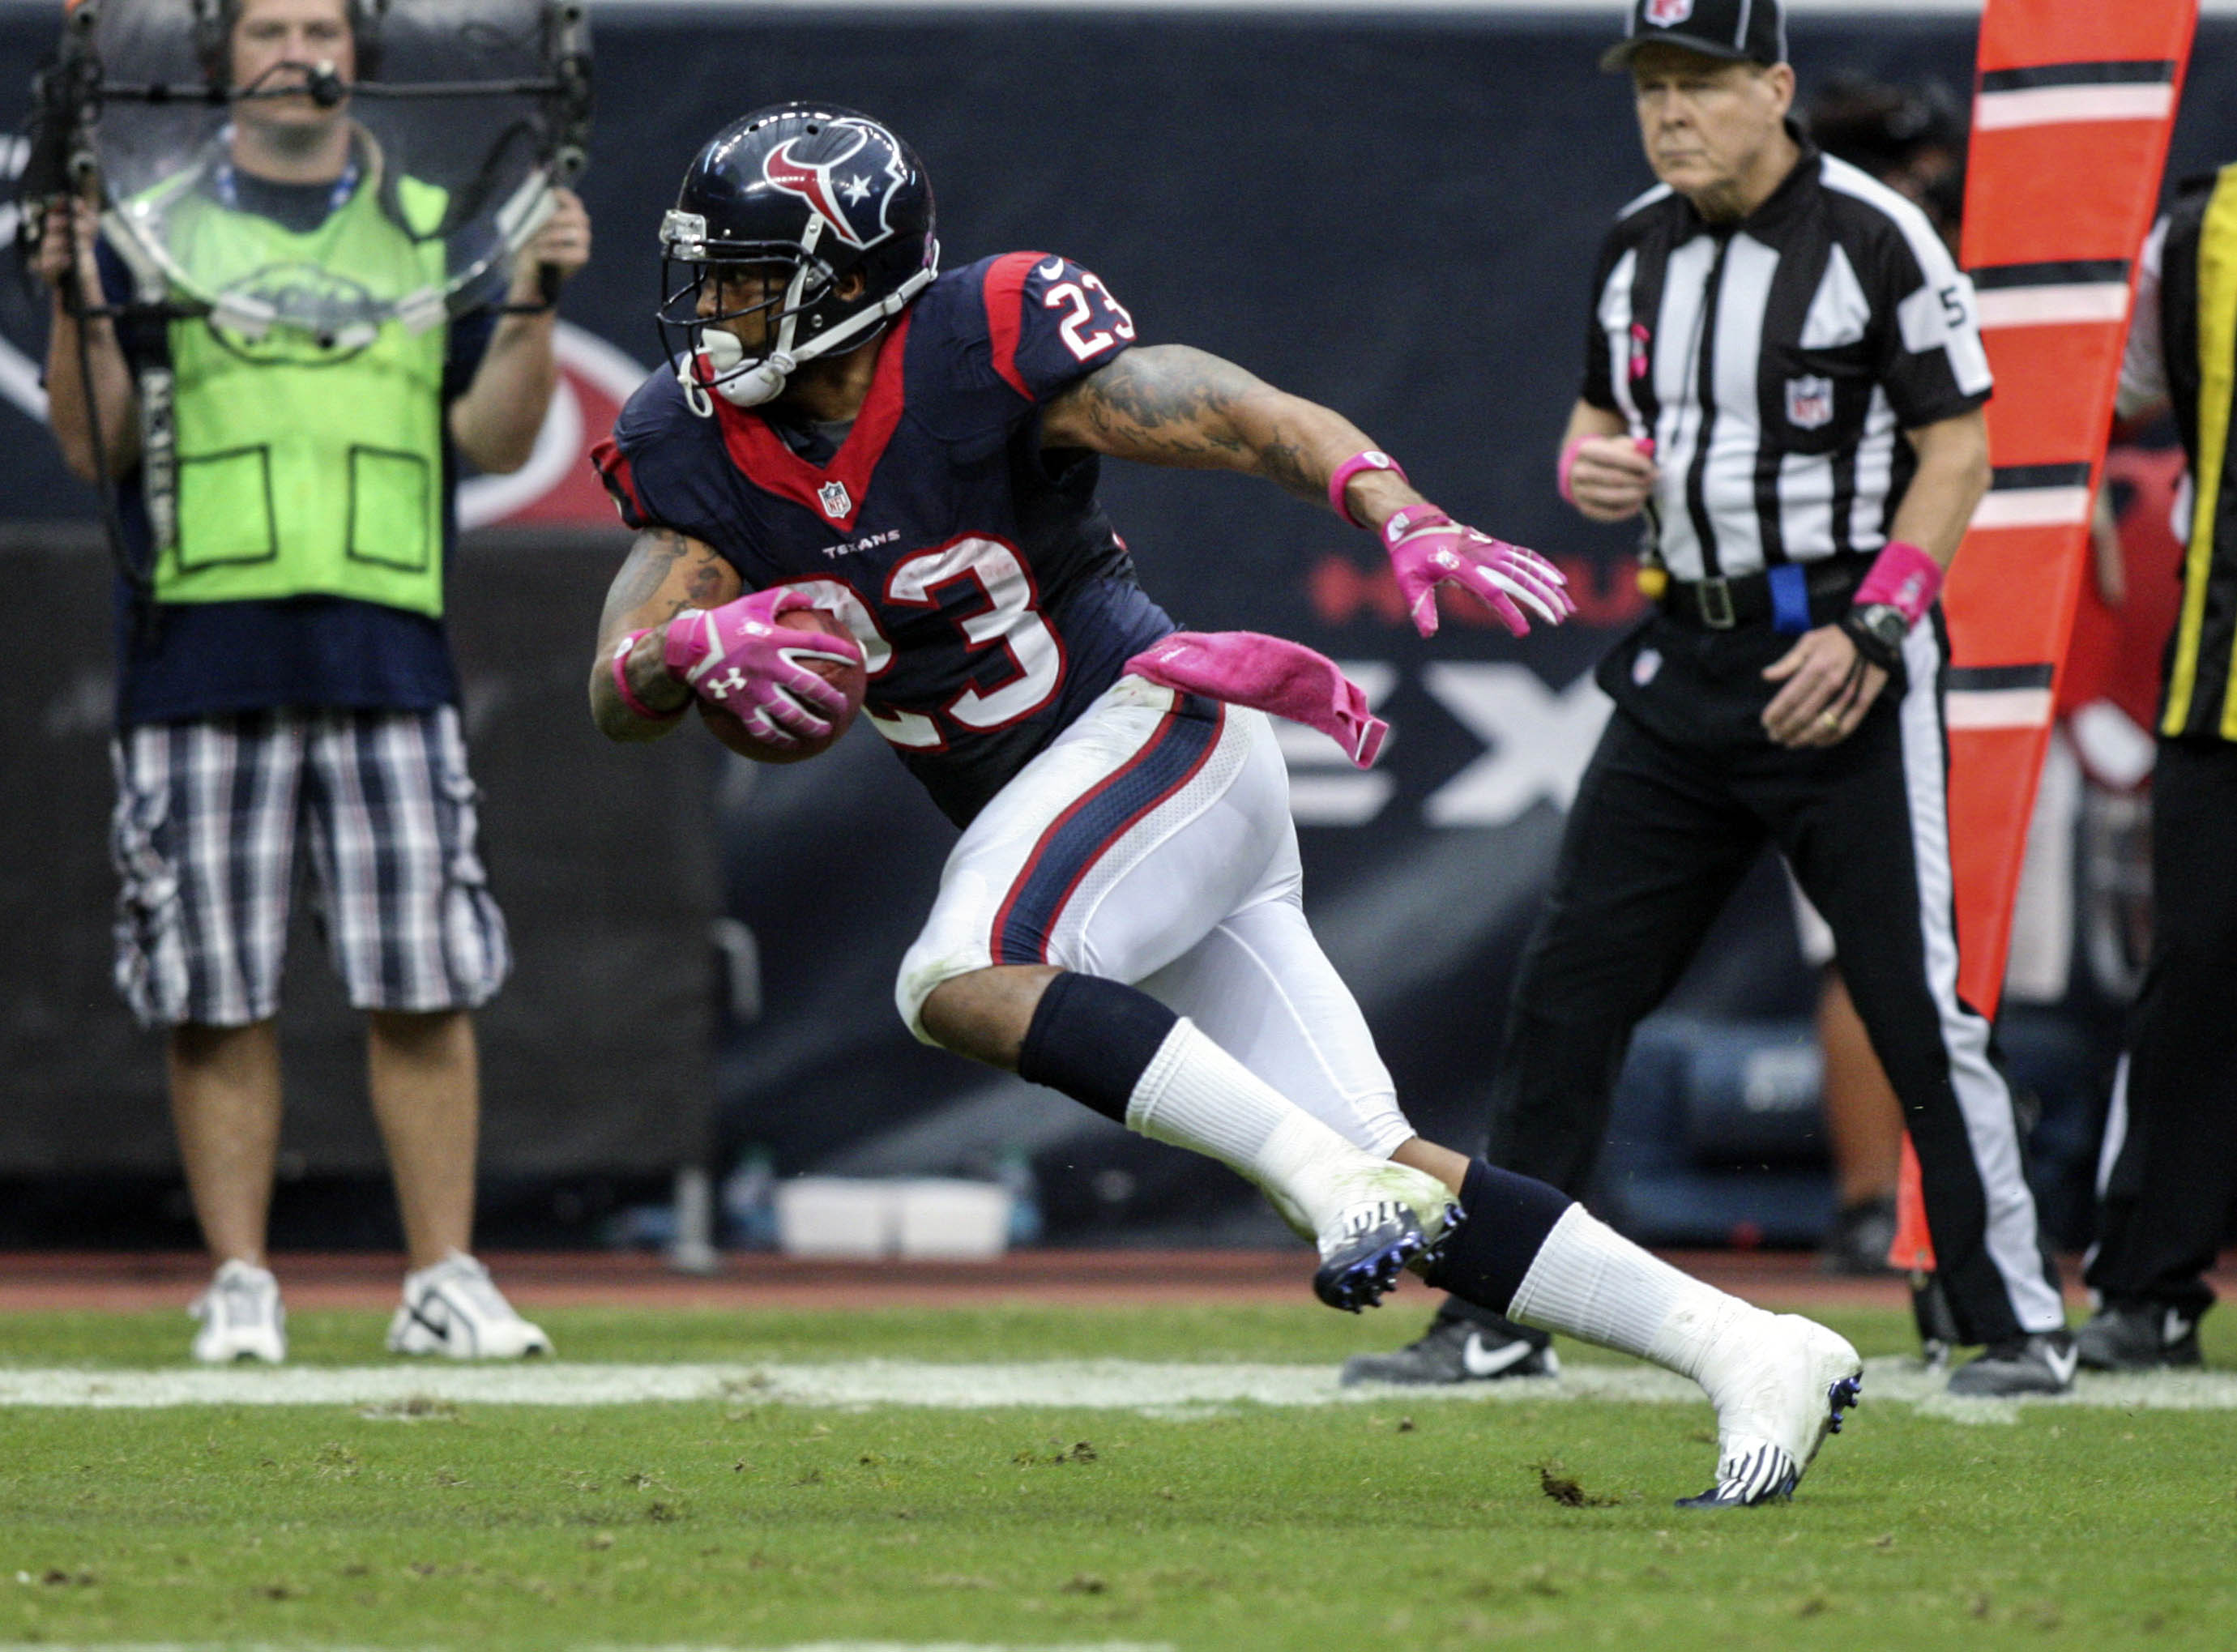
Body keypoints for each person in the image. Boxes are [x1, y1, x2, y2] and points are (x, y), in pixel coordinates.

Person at [588, 100, 1861, 1509]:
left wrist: (1397, 510)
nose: (712, 312)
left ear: (848, 278)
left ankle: (1325, 1192)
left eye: (748, 281)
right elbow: (615, 683)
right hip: (1093, 816)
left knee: (958, 974)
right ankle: (1749, 1345)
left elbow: (1232, 412)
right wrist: (675, 651)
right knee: (1395, 1167)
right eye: (708, 277)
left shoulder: (978, 335)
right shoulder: (692, 444)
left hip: (1153, 733)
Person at [1342, 0, 2072, 1398]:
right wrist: (1586, 470)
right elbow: (1594, 428)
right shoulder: (1636, 246)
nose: (1669, 112)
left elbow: (1961, 451)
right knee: (1566, 991)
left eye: (1700, 84)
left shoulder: (1872, 234)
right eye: (1650, 88)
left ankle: (2011, 1324)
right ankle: (1496, 1314)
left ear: (1776, 86)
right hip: (1688, 663)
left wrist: (1876, 628)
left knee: (1914, 1005)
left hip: (1839, 661)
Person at [38, 0, 589, 1363]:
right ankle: (240, 1281)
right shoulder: (147, 222)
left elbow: (492, 433)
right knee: (213, 989)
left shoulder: (430, 220)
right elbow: (89, 447)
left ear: (362, 55)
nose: (300, 48)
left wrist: (530, 301)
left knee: (424, 978)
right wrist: (75, 301)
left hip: (389, 643)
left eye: (322, 25)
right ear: (220, 57)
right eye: (270, 25)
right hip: (195, 640)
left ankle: (442, 1275)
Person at [2075, 162, 2237, 1371]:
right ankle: (2147, 1281)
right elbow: (2104, 396)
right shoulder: (2190, 239)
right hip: (2219, 671)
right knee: (2194, 973)